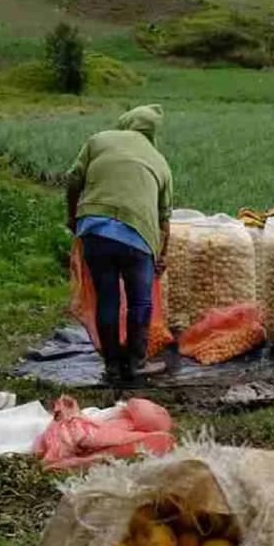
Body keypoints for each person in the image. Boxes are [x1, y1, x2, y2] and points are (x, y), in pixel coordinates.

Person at [66, 104, 173, 383]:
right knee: (140, 301)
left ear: (126, 121)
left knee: (107, 297)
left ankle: (112, 366)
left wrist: (72, 218)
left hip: (95, 229)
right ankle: (136, 364)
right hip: (137, 236)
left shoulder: (100, 140)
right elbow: (164, 219)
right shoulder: (159, 161)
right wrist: (162, 254)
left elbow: (73, 180)